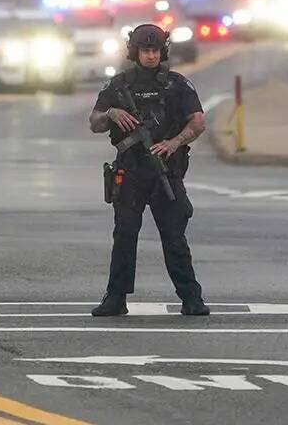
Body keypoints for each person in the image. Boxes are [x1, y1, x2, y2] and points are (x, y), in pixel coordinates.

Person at [88, 23, 210, 317]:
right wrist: (111, 113)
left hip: (165, 172)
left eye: (155, 50)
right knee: (125, 235)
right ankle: (115, 298)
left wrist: (173, 142)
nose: (151, 56)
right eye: (146, 50)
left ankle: (191, 297)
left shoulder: (177, 84)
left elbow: (197, 122)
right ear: (135, 52)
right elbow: (94, 122)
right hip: (130, 172)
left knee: (174, 236)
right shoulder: (119, 85)